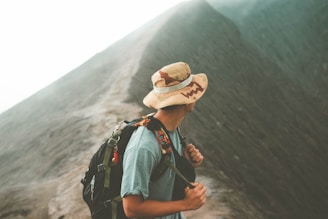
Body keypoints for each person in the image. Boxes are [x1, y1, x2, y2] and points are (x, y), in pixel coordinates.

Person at [121, 61, 208, 219]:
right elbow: (131, 208)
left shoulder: (168, 128)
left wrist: (187, 162)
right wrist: (186, 204)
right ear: (186, 99)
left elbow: (163, 175)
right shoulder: (144, 146)